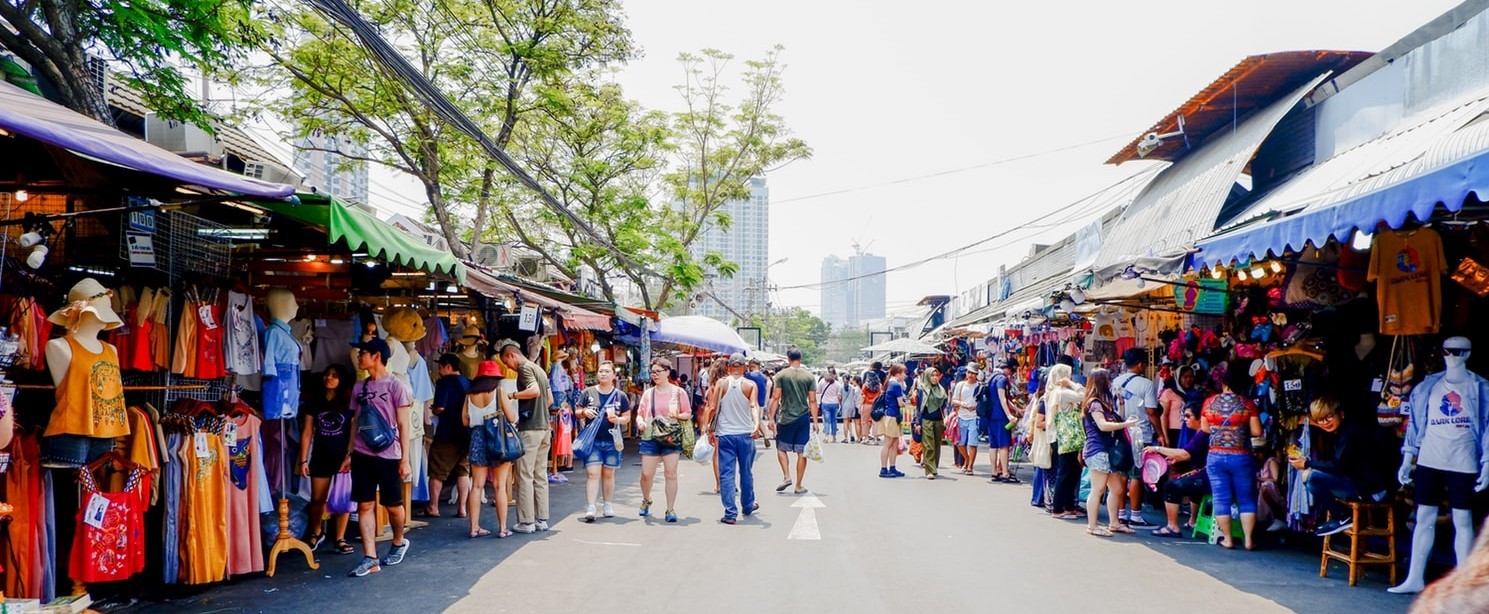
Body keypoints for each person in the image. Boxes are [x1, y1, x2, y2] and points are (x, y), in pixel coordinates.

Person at [347, 338, 414, 577]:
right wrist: (349, 453)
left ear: (376, 356)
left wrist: (405, 459)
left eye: (362, 353)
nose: (358, 357)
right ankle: (370, 556)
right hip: (362, 454)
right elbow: (355, 422)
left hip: (389, 454)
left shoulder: (396, 386)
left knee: (392, 505)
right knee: (364, 504)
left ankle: (398, 541)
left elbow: (404, 425)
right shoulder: (359, 388)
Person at [1293, 397, 1390, 536]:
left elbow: (1337, 466)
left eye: (1329, 417)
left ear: (1341, 414)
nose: (1325, 423)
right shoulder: (1342, 432)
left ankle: (1341, 517)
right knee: (1311, 476)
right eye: (1320, 420)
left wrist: (1307, 463)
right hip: (1361, 485)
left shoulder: (1350, 433)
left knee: (1311, 476)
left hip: (1372, 490)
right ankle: (1341, 517)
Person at [1201, 362, 1264, 550]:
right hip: (1242, 456)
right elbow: (1256, 431)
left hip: (1215, 456)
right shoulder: (1247, 404)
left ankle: (1227, 539)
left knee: (1221, 498)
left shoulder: (1209, 402)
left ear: (1224, 384)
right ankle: (1248, 540)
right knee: (1246, 498)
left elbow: (1204, 428)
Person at [298, 365, 355, 555]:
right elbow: (307, 432)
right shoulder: (314, 402)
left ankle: (339, 537)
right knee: (317, 499)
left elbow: (353, 432)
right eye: (327, 375)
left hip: (342, 458)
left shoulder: (349, 403)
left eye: (335, 376)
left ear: (342, 380)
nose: (329, 378)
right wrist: (303, 460)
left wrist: (349, 454)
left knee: (342, 499)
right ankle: (316, 532)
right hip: (320, 455)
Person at [500, 341, 554, 534]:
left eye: (507, 363)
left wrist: (512, 395)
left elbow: (534, 391)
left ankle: (527, 521)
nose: (509, 367)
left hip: (530, 429)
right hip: (545, 427)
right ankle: (542, 519)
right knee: (540, 475)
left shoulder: (524, 368)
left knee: (524, 475)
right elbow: (549, 400)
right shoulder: (539, 369)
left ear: (512, 355)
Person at [1083, 369, 1144, 538]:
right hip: (1098, 450)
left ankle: (1114, 523)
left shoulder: (1104, 404)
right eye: (1109, 380)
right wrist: (1127, 425)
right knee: (1098, 489)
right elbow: (1103, 425)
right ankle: (1092, 525)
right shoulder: (1094, 403)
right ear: (1103, 382)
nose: (1112, 383)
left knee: (1117, 489)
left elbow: (1117, 421)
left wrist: (1121, 403)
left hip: (1107, 451)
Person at [703, 353, 762, 524]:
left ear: (729, 367)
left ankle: (730, 513)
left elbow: (712, 407)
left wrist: (708, 429)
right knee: (746, 471)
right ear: (744, 368)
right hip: (745, 434)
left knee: (726, 474)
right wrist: (756, 424)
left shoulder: (721, 383)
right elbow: (754, 406)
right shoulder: (750, 385)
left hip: (726, 435)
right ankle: (748, 504)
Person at [463, 360, 516, 538]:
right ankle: (502, 528)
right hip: (498, 437)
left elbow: (465, 421)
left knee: (476, 486)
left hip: (477, 437)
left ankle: (474, 527)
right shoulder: (499, 392)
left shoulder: (469, 395)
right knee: (500, 485)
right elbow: (511, 416)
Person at [576, 361, 631, 522]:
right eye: (601, 371)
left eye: (607, 371)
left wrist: (618, 419)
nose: (603, 374)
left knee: (608, 473)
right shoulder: (588, 392)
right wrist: (584, 411)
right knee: (592, 474)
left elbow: (627, 416)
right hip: (592, 440)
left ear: (614, 375)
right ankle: (591, 506)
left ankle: (607, 504)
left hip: (612, 439)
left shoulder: (620, 395)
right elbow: (577, 411)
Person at [1113, 348, 1162, 529]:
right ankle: (1135, 516)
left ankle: (1120, 514)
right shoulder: (1146, 384)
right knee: (1136, 475)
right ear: (1141, 363)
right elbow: (1151, 411)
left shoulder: (1116, 381)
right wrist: (1161, 433)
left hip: (1119, 432)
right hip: (1140, 434)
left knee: (1121, 474)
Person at [638, 359, 692, 522]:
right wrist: (640, 421)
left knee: (671, 473)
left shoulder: (678, 392)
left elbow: (688, 413)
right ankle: (646, 499)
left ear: (668, 372)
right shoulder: (648, 393)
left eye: (658, 371)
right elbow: (640, 413)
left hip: (671, 436)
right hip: (651, 436)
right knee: (646, 474)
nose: (655, 375)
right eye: (652, 372)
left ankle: (670, 509)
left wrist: (677, 415)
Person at [1145, 407, 1210, 537]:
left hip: (1207, 477)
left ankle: (1172, 526)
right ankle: (1192, 521)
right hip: (1204, 475)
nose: (1184, 419)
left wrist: (1158, 449)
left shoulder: (1203, 434)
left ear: (1199, 418)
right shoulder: (1198, 433)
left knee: (1170, 486)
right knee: (1190, 482)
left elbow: (1184, 454)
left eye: (1188, 416)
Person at [425, 354, 471, 519]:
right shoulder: (468, 382)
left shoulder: (443, 383)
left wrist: (434, 409)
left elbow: (441, 408)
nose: (439, 370)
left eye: (441, 366)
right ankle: (462, 508)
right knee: (463, 471)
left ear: (448, 367)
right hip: (466, 434)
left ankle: (433, 507)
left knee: (437, 471)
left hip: (447, 434)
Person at [769, 349, 819, 493]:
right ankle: (798, 485)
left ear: (788, 358)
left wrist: (771, 418)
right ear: (800, 358)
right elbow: (813, 400)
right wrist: (815, 421)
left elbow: (776, 397)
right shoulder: (809, 376)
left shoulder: (781, 375)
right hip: (803, 418)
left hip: (785, 417)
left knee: (781, 448)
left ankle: (786, 476)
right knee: (802, 452)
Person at [1046, 363, 1086, 518]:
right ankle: (1058, 509)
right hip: (1066, 437)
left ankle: (1069, 507)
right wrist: (1071, 384)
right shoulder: (1062, 392)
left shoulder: (1054, 392)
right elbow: (1084, 394)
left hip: (1061, 437)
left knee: (1071, 472)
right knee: (1066, 473)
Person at [984, 359, 1022, 482]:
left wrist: (1017, 409)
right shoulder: (1002, 379)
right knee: (1004, 445)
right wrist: (1009, 415)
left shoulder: (991, 377)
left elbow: (1004, 398)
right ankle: (1005, 473)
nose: (1011, 373)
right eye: (1012, 370)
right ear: (1007, 368)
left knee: (993, 445)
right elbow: (1002, 398)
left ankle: (994, 472)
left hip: (990, 415)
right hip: (1000, 417)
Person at [913, 365, 949, 479]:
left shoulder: (941, 390)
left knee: (936, 445)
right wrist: (918, 423)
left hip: (938, 421)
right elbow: (918, 408)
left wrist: (946, 417)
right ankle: (929, 470)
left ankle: (934, 467)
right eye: (932, 375)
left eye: (936, 375)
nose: (935, 378)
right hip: (926, 420)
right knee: (928, 446)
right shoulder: (921, 390)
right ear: (927, 377)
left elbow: (945, 406)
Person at [1160, 364, 1205, 448]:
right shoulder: (1169, 392)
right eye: (1185, 377)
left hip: (1191, 431)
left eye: (1191, 376)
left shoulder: (1197, 394)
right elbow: (1164, 416)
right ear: (1178, 378)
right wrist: (1165, 436)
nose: (1188, 379)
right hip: (1173, 433)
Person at [879, 363, 909, 478]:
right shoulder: (896, 385)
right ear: (897, 374)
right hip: (892, 416)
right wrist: (906, 403)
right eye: (903, 373)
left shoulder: (889, 383)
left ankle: (892, 467)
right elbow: (900, 403)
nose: (905, 375)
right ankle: (884, 469)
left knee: (894, 443)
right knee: (888, 444)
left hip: (890, 416)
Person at [950, 368, 980, 475]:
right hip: (961, 416)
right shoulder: (960, 385)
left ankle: (970, 466)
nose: (971, 375)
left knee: (972, 443)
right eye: (969, 373)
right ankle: (966, 459)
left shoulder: (979, 386)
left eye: (973, 373)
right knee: (959, 442)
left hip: (974, 417)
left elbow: (983, 402)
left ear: (977, 374)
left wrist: (975, 407)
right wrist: (963, 404)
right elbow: (954, 400)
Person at [746, 358, 771, 448]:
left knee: (750, 420)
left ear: (751, 366)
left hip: (750, 401)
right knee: (758, 420)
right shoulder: (764, 377)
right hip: (761, 402)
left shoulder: (748, 376)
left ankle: (752, 438)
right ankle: (766, 435)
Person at [817, 368, 843, 443]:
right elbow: (839, 395)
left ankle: (826, 436)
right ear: (834, 375)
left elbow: (818, 391)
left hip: (825, 403)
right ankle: (834, 437)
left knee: (827, 420)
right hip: (835, 403)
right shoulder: (838, 384)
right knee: (833, 420)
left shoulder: (822, 382)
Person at [861, 366, 884, 444]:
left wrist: (860, 406)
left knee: (865, 422)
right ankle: (875, 439)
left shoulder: (865, 385)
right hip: (876, 405)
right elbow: (881, 394)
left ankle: (866, 438)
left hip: (866, 404)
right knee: (875, 422)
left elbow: (863, 396)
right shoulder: (879, 385)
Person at [842, 375, 862, 443]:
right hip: (857, 406)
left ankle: (850, 438)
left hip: (855, 406)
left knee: (852, 423)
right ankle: (860, 437)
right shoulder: (858, 388)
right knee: (859, 423)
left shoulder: (854, 389)